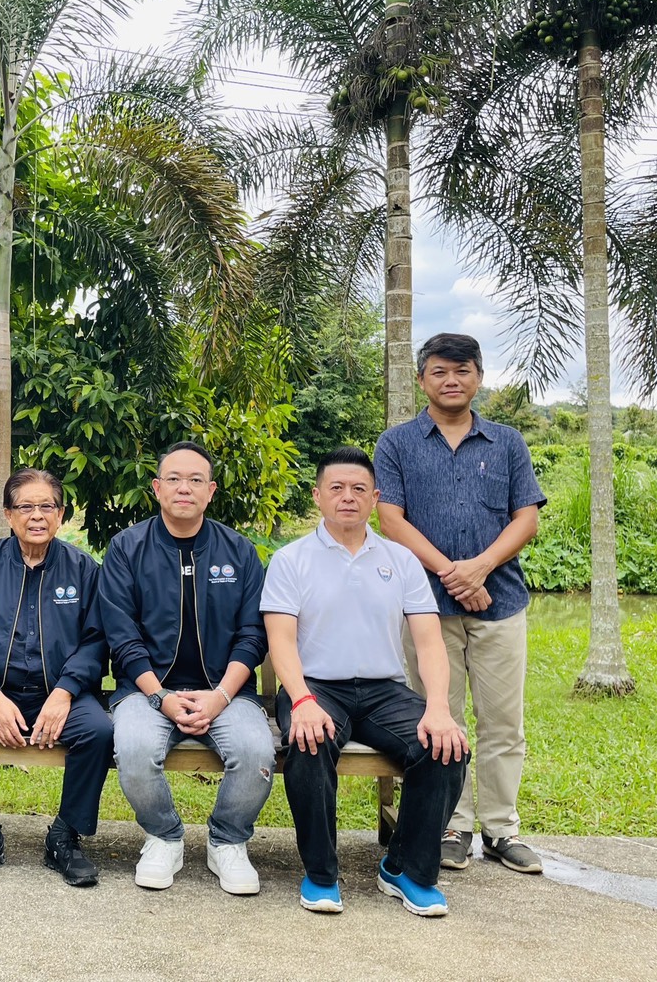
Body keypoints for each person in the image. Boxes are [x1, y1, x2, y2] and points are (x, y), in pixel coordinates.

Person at [263, 447, 468, 917]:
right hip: (315, 686)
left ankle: (406, 869)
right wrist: (302, 701)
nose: (348, 497)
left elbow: (430, 643)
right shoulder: (291, 559)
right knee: (309, 741)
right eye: (336, 488)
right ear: (317, 496)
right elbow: (281, 642)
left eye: (359, 489)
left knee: (446, 746)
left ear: (375, 498)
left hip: (383, 690)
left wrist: (438, 707)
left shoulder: (401, 560)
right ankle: (321, 874)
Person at [375, 333, 546, 875]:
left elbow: (526, 518)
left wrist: (480, 568)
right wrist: (454, 573)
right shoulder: (397, 444)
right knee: (438, 718)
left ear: (478, 377)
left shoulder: (508, 443)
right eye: (440, 371)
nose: (452, 380)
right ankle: (451, 825)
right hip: (426, 607)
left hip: (501, 601)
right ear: (422, 379)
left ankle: (501, 828)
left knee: (503, 722)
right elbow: (391, 520)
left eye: (463, 370)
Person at [98, 441, 276, 894]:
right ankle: (164, 836)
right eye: (173, 479)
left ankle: (227, 840)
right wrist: (160, 696)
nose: (184, 488)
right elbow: (122, 635)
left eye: (196, 480)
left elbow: (253, 635)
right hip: (146, 690)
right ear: (156, 488)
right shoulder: (127, 548)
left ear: (210, 491)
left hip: (226, 691)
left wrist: (221, 696)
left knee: (255, 752)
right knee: (134, 750)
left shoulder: (239, 551)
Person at [0, 468, 112, 886]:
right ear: (8, 514)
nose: (37, 515)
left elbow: (96, 641)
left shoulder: (83, 569)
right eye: (26, 506)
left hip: (61, 694)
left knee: (99, 731)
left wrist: (66, 692)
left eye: (47, 506)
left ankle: (65, 838)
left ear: (61, 514)